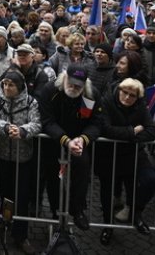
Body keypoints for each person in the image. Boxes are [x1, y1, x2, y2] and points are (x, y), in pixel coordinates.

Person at [95, 78, 155, 245]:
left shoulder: (140, 106)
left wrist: (127, 136)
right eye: (125, 92)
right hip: (108, 156)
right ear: (119, 90)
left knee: (144, 182)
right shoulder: (107, 101)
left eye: (132, 95)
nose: (128, 97)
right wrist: (132, 131)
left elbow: (151, 131)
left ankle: (136, 214)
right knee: (107, 193)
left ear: (138, 97)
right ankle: (107, 226)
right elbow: (105, 129)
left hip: (132, 155)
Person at [39, 64, 100, 230]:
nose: (73, 88)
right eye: (71, 83)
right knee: (53, 175)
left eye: (78, 85)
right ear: (64, 77)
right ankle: (56, 209)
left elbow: (95, 122)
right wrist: (66, 140)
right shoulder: (50, 90)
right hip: (54, 139)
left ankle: (77, 208)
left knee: (82, 171)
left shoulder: (90, 94)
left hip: (79, 140)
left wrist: (83, 139)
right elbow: (47, 121)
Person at [0, 69, 41, 254]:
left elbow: (36, 123)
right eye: (5, 84)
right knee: (5, 193)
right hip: (2, 154)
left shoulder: (30, 102)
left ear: (20, 86)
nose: (7, 88)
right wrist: (6, 127)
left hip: (23, 157)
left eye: (11, 85)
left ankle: (21, 235)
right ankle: (5, 224)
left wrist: (23, 131)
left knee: (22, 196)